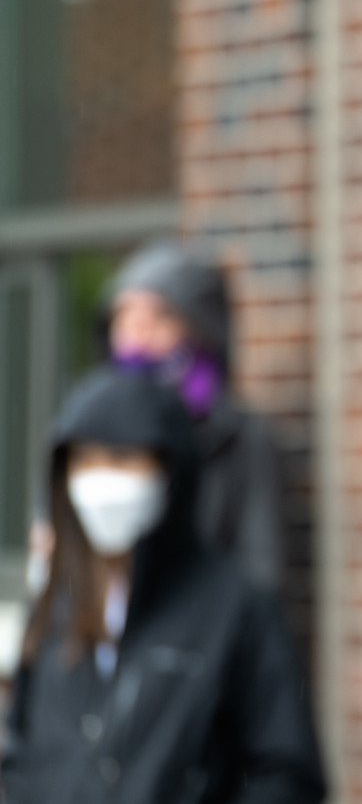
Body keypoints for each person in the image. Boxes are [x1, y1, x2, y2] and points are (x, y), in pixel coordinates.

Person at [1, 367, 325, 804]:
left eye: (122, 460)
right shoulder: (56, 600)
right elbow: (23, 743)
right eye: (82, 461)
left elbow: (290, 775)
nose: (100, 480)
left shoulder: (236, 606)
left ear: (171, 469)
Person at [103, 240, 287, 590]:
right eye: (125, 316)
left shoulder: (238, 436)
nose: (138, 333)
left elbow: (262, 565)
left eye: (160, 315)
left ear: (199, 326)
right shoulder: (91, 428)